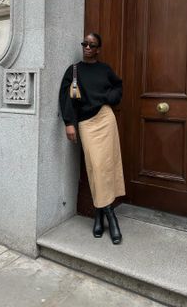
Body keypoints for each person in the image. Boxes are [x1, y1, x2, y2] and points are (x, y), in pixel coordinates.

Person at [59, 33, 126, 244]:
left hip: (106, 119)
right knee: (95, 167)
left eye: (92, 45)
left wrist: (109, 99)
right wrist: (69, 123)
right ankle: (110, 216)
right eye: (85, 44)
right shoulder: (74, 70)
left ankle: (99, 215)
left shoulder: (105, 70)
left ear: (98, 49)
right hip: (86, 124)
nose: (87, 47)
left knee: (106, 167)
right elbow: (65, 98)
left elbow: (118, 86)